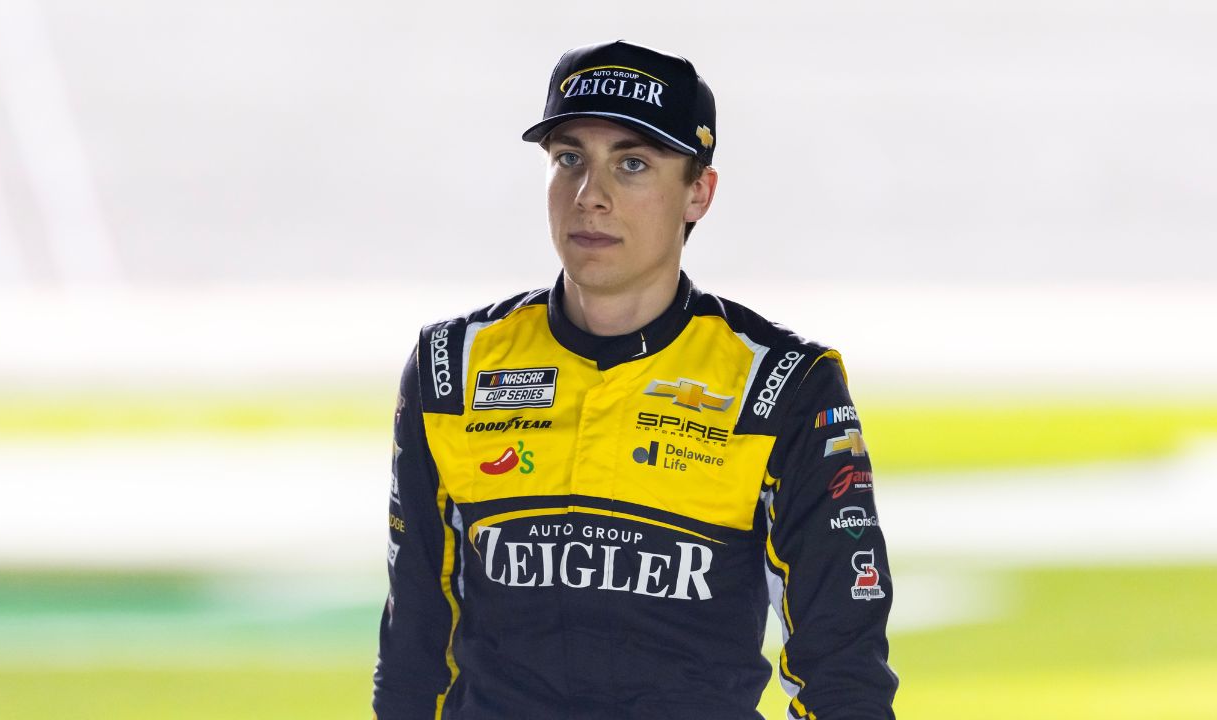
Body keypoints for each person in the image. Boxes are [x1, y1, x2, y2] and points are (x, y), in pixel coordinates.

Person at [373, 40, 897, 719]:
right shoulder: (453, 368)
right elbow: (415, 648)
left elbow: (842, 667)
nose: (591, 197)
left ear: (698, 193)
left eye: (633, 164)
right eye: (570, 160)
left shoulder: (784, 385)